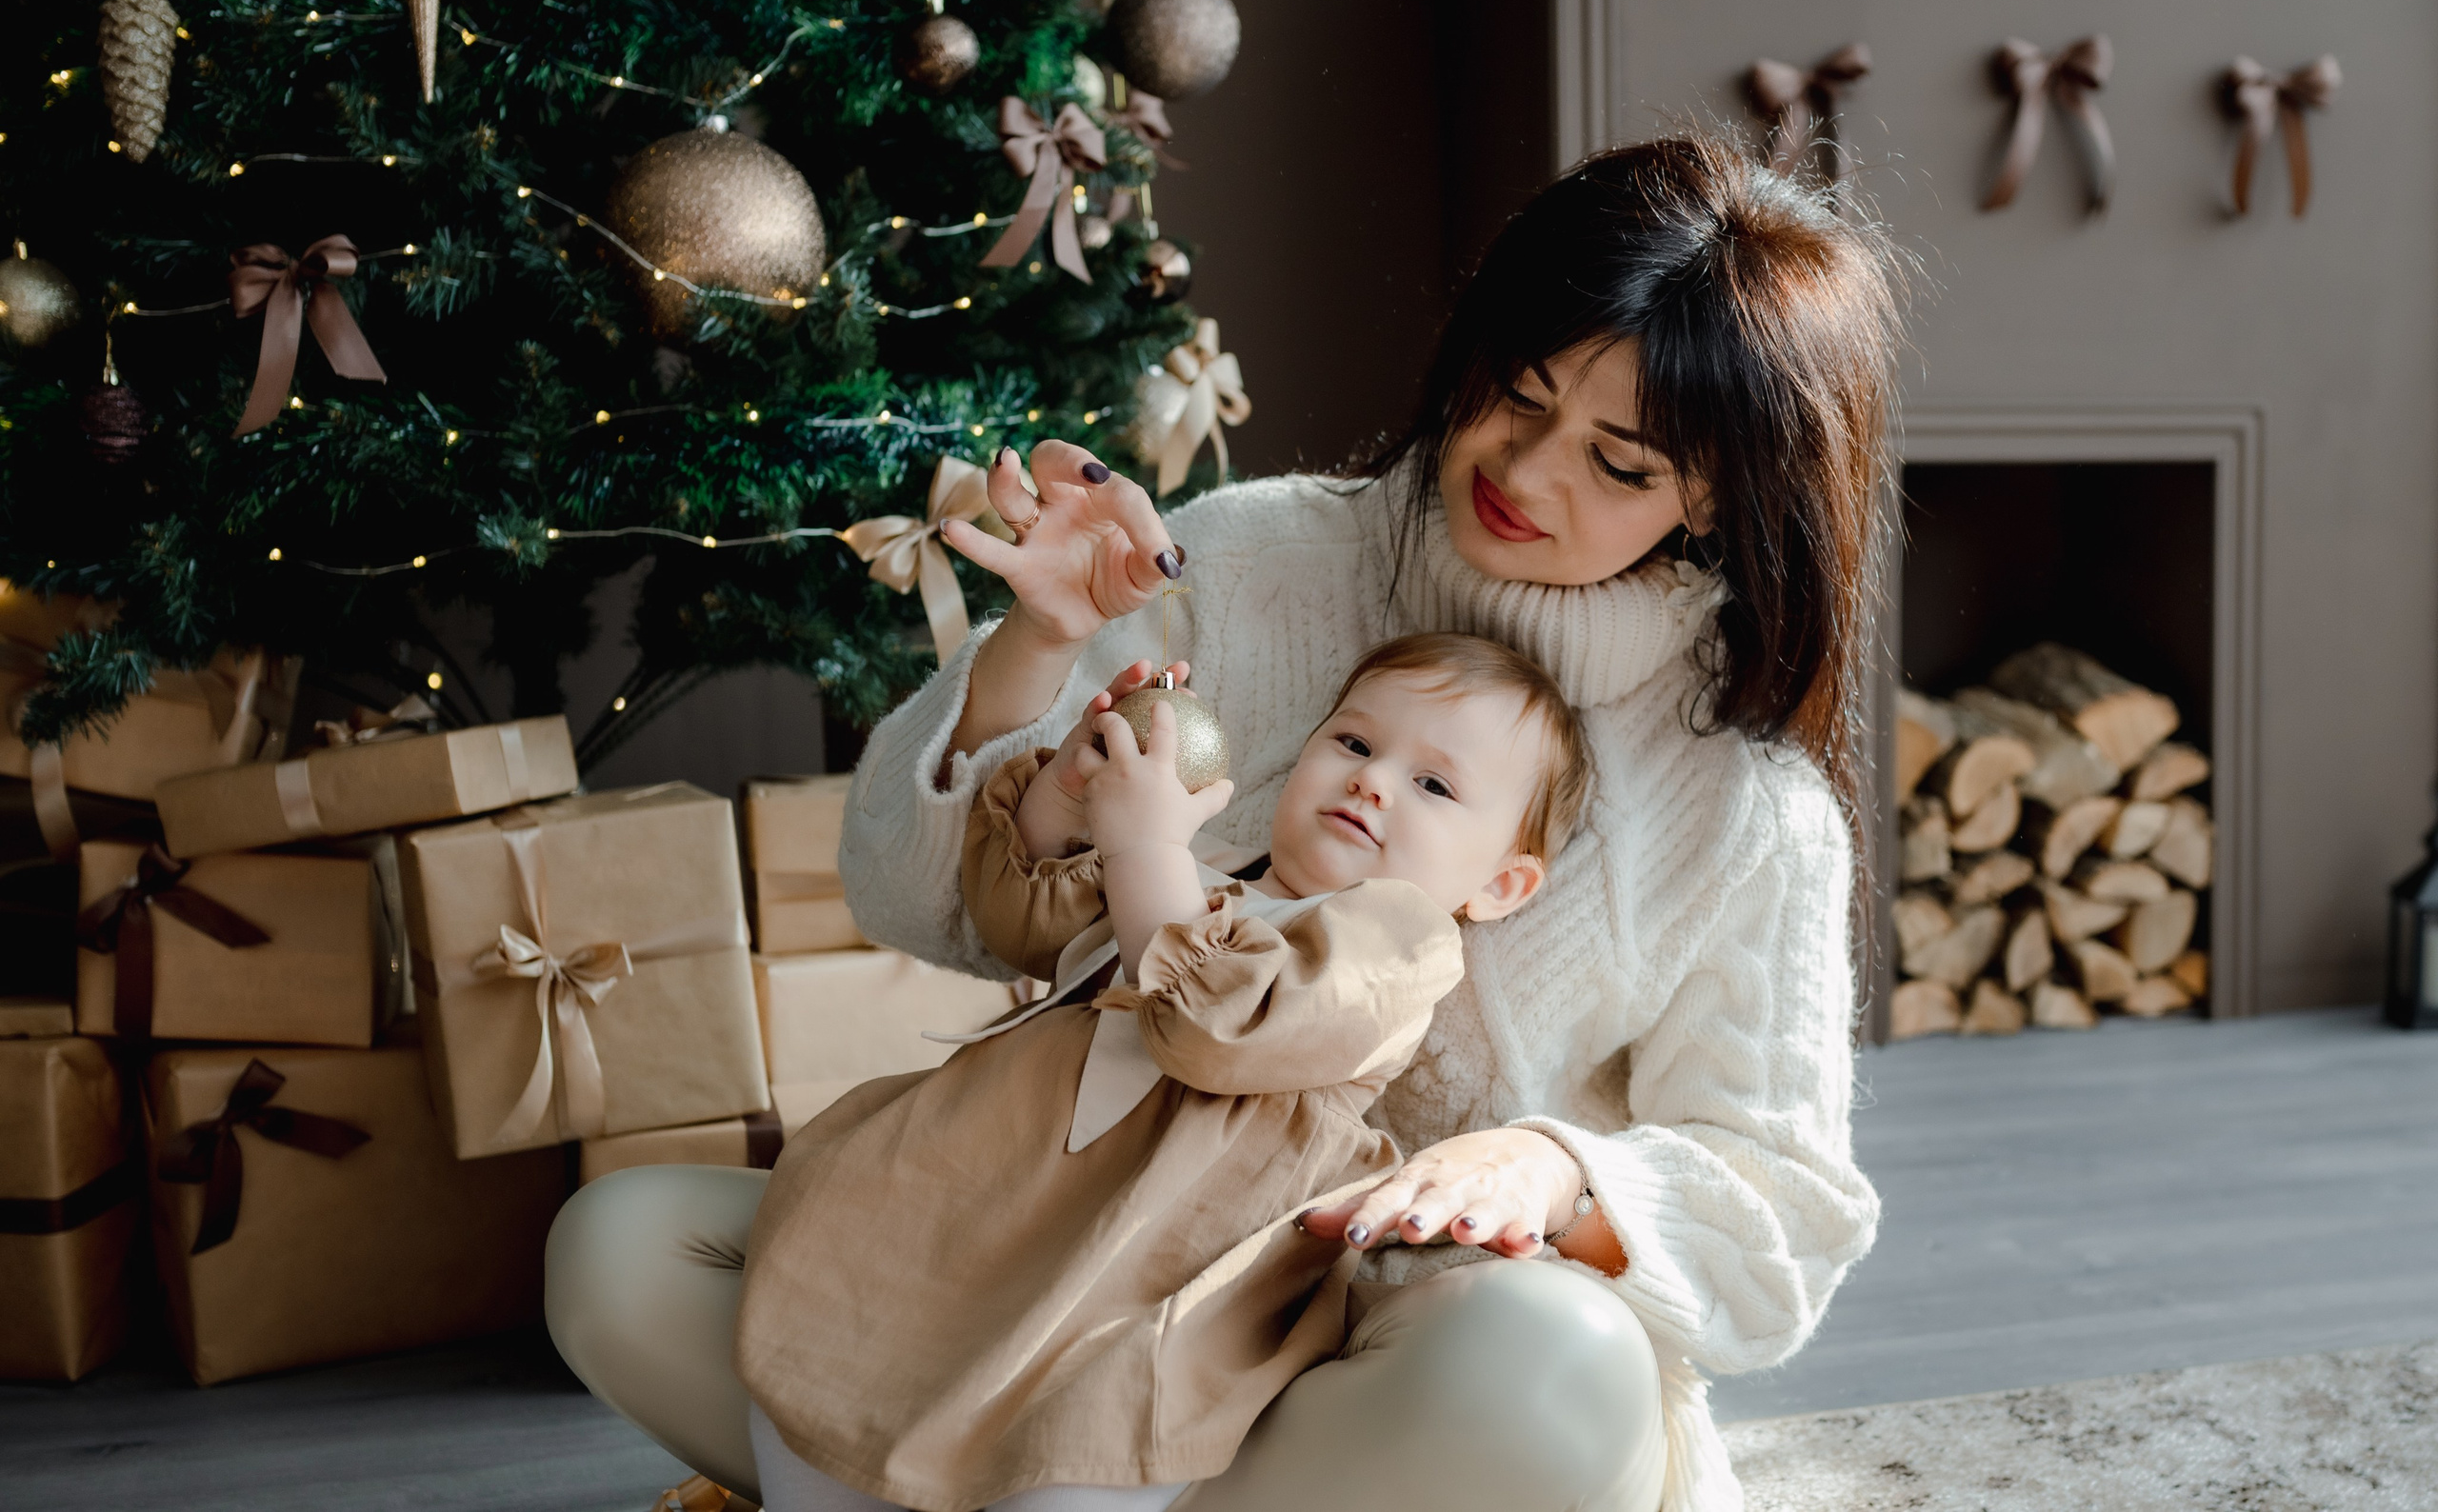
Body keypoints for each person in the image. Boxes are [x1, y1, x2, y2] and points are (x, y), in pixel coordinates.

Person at [546, 132, 1901, 1512]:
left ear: (1718, 493)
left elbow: (1779, 1209)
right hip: (1066, 1269)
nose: (1527, 469)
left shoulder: (1749, 814)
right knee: (621, 1251)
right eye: (1519, 390)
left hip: (1387, 1353)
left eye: (1618, 463)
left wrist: (1557, 1165)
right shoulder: (1252, 559)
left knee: (1552, 1361)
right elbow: (917, 904)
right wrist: (1030, 651)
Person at [736, 633, 1593, 1512]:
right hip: (1002, 1183)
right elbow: (1019, 918)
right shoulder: (1205, 872)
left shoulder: (1399, 940)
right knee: (839, 1338)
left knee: (1084, 1443)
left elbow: (1219, 1027)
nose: (1373, 781)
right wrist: (1070, 797)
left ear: (1500, 886)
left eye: (1435, 785)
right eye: (1355, 743)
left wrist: (1144, 846)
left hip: (1166, 1249)